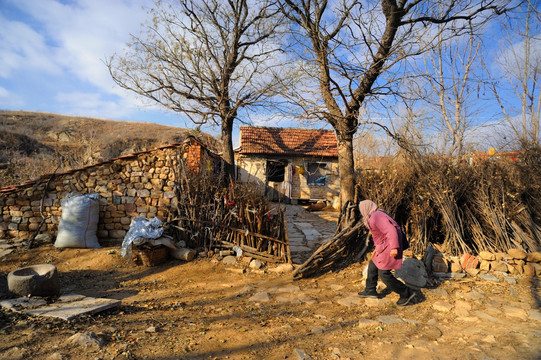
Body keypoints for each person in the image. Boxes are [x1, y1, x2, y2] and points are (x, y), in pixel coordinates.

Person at [357, 200, 415, 306]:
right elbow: (380, 234)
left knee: (384, 274)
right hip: (383, 247)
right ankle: (370, 290)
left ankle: (406, 293)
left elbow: (391, 231)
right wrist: (377, 248)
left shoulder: (376, 217)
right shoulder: (375, 215)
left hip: (389, 247)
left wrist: (394, 248)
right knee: (373, 264)